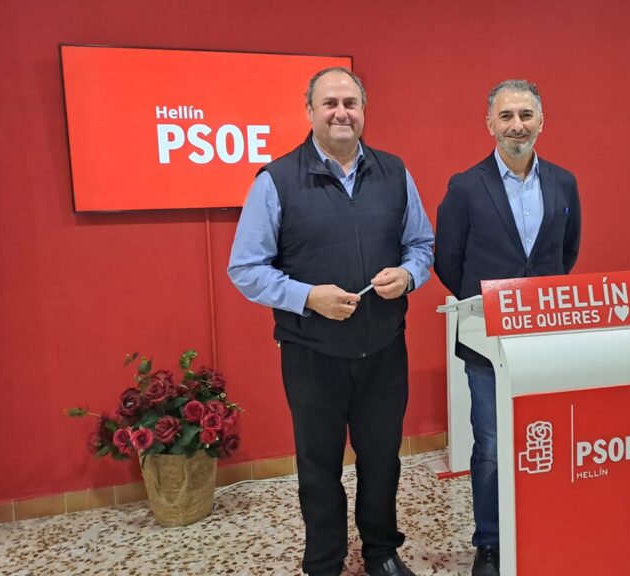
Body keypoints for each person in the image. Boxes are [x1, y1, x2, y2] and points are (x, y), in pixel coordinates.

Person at [228, 67, 434, 576]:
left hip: (384, 348)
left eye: (350, 103)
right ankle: (324, 562)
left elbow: (421, 245)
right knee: (318, 466)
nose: (341, 113)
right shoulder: (275, 180)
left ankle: (381, 553)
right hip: (311, 352)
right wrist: (306, 297)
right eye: (330, 103)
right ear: (310, 111)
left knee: (382, 459)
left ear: (363, 111)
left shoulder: (395, 172)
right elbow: (246, 268)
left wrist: (408, 275)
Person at [433, 79, 581, 576]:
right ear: (490, 124)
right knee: (494, 445)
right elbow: (448, 260)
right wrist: (488, 305)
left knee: (546, 437)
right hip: (486, 340)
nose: (517, 125)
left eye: (526, 115)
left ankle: (541, 526)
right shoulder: (465, 186)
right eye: (506, 116)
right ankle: (491, 543)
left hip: (544, 338)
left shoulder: (564, 183)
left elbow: (566, 253)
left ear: (541, 122)